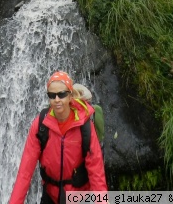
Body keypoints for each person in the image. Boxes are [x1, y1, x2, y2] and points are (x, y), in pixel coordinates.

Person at [9, 70, 107, 204]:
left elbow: (96, 172)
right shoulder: (41, 125)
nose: (57, 100)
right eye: (52, 95)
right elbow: (25, 172)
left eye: (61, 94)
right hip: (50, 195)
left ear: (70, 96)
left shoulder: (85, 126)